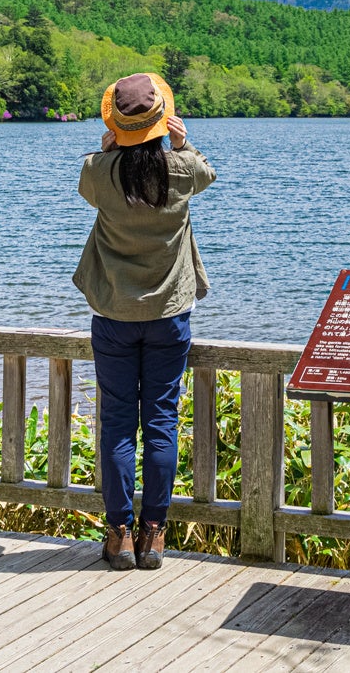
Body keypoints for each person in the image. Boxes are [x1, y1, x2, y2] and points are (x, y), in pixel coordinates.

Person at [73, 72, 214, 572]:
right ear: (162, 121)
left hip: (113, 314)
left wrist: (108, 149)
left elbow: (90, 181)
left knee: (116, 424)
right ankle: (153, 533)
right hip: (169, 316)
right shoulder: (180, 170)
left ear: (116, 124)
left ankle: (120, 535)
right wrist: (182, 142)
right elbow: (206, 173)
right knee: (160, 421)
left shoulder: (99, 171)